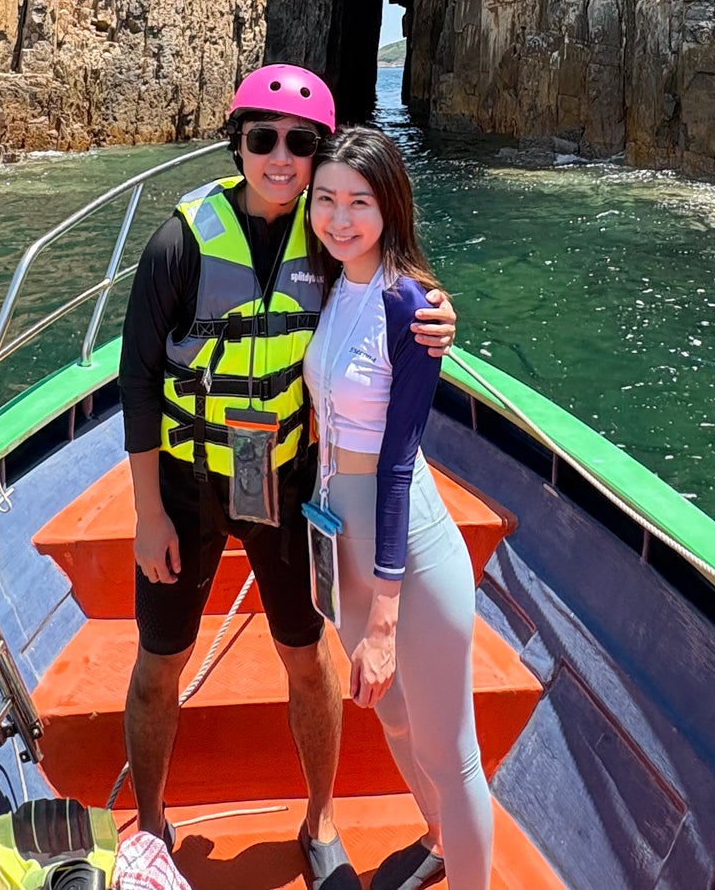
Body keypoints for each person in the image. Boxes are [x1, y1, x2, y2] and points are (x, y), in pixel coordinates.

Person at [118, 66, 457, 890]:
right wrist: (146, 515)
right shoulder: (181, 240)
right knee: (160, 657)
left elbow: (390, 277)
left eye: (299, 142)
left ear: (319, 154)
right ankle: (154, 824)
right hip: (188, 484)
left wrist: (439, 311)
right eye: (261, 137)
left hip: (284, 478)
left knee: (305, 656)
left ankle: (321, 820)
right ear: (237, 142)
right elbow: (134, 379)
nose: (279, 156)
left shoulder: (326, 232)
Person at [303, 126, 493, 890]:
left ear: (390, 207)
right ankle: (439, 841)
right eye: (325, 200)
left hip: (401, 540)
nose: (340, 218)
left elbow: (396, 462)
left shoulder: (408, 304)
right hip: (338, 530)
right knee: (391, 714)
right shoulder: (330, 280)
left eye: (359, 202)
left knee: (452, 752)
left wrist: (382, 617)